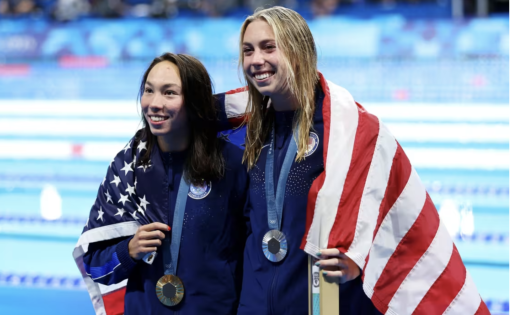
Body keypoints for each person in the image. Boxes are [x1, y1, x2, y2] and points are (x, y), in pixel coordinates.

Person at [215, 6, 490, 315]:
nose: (255, 60)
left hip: (321, 304)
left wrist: (360, 258)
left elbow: (391, 219)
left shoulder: (349, 132)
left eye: (269, 47)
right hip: (255, 303)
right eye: (248, 51)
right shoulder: (245, 128)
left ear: (297, 51)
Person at [72, 53, 248, 315]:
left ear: (194, 102)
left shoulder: (231, 164)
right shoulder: (127, 168)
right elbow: (96, 268)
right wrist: (128, 251)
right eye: (148, 91)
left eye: (169, 93)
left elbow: (254, 256)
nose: (154, 103)